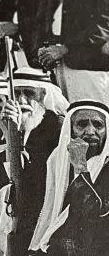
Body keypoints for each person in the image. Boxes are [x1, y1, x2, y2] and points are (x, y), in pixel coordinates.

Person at [0, 68, 68, 256]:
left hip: (43, 207)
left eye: (28, 94)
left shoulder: (56, 126)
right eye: (16, 94)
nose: (21, 100)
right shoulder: (10, 121)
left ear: (43, 95)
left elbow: (38, 177)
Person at [28, 100, 109, 255]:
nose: (90, 131)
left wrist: (80, 167)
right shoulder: (55, 159)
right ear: (70, 130)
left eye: (98, 125)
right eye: (82, 125)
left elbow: (97, 215)